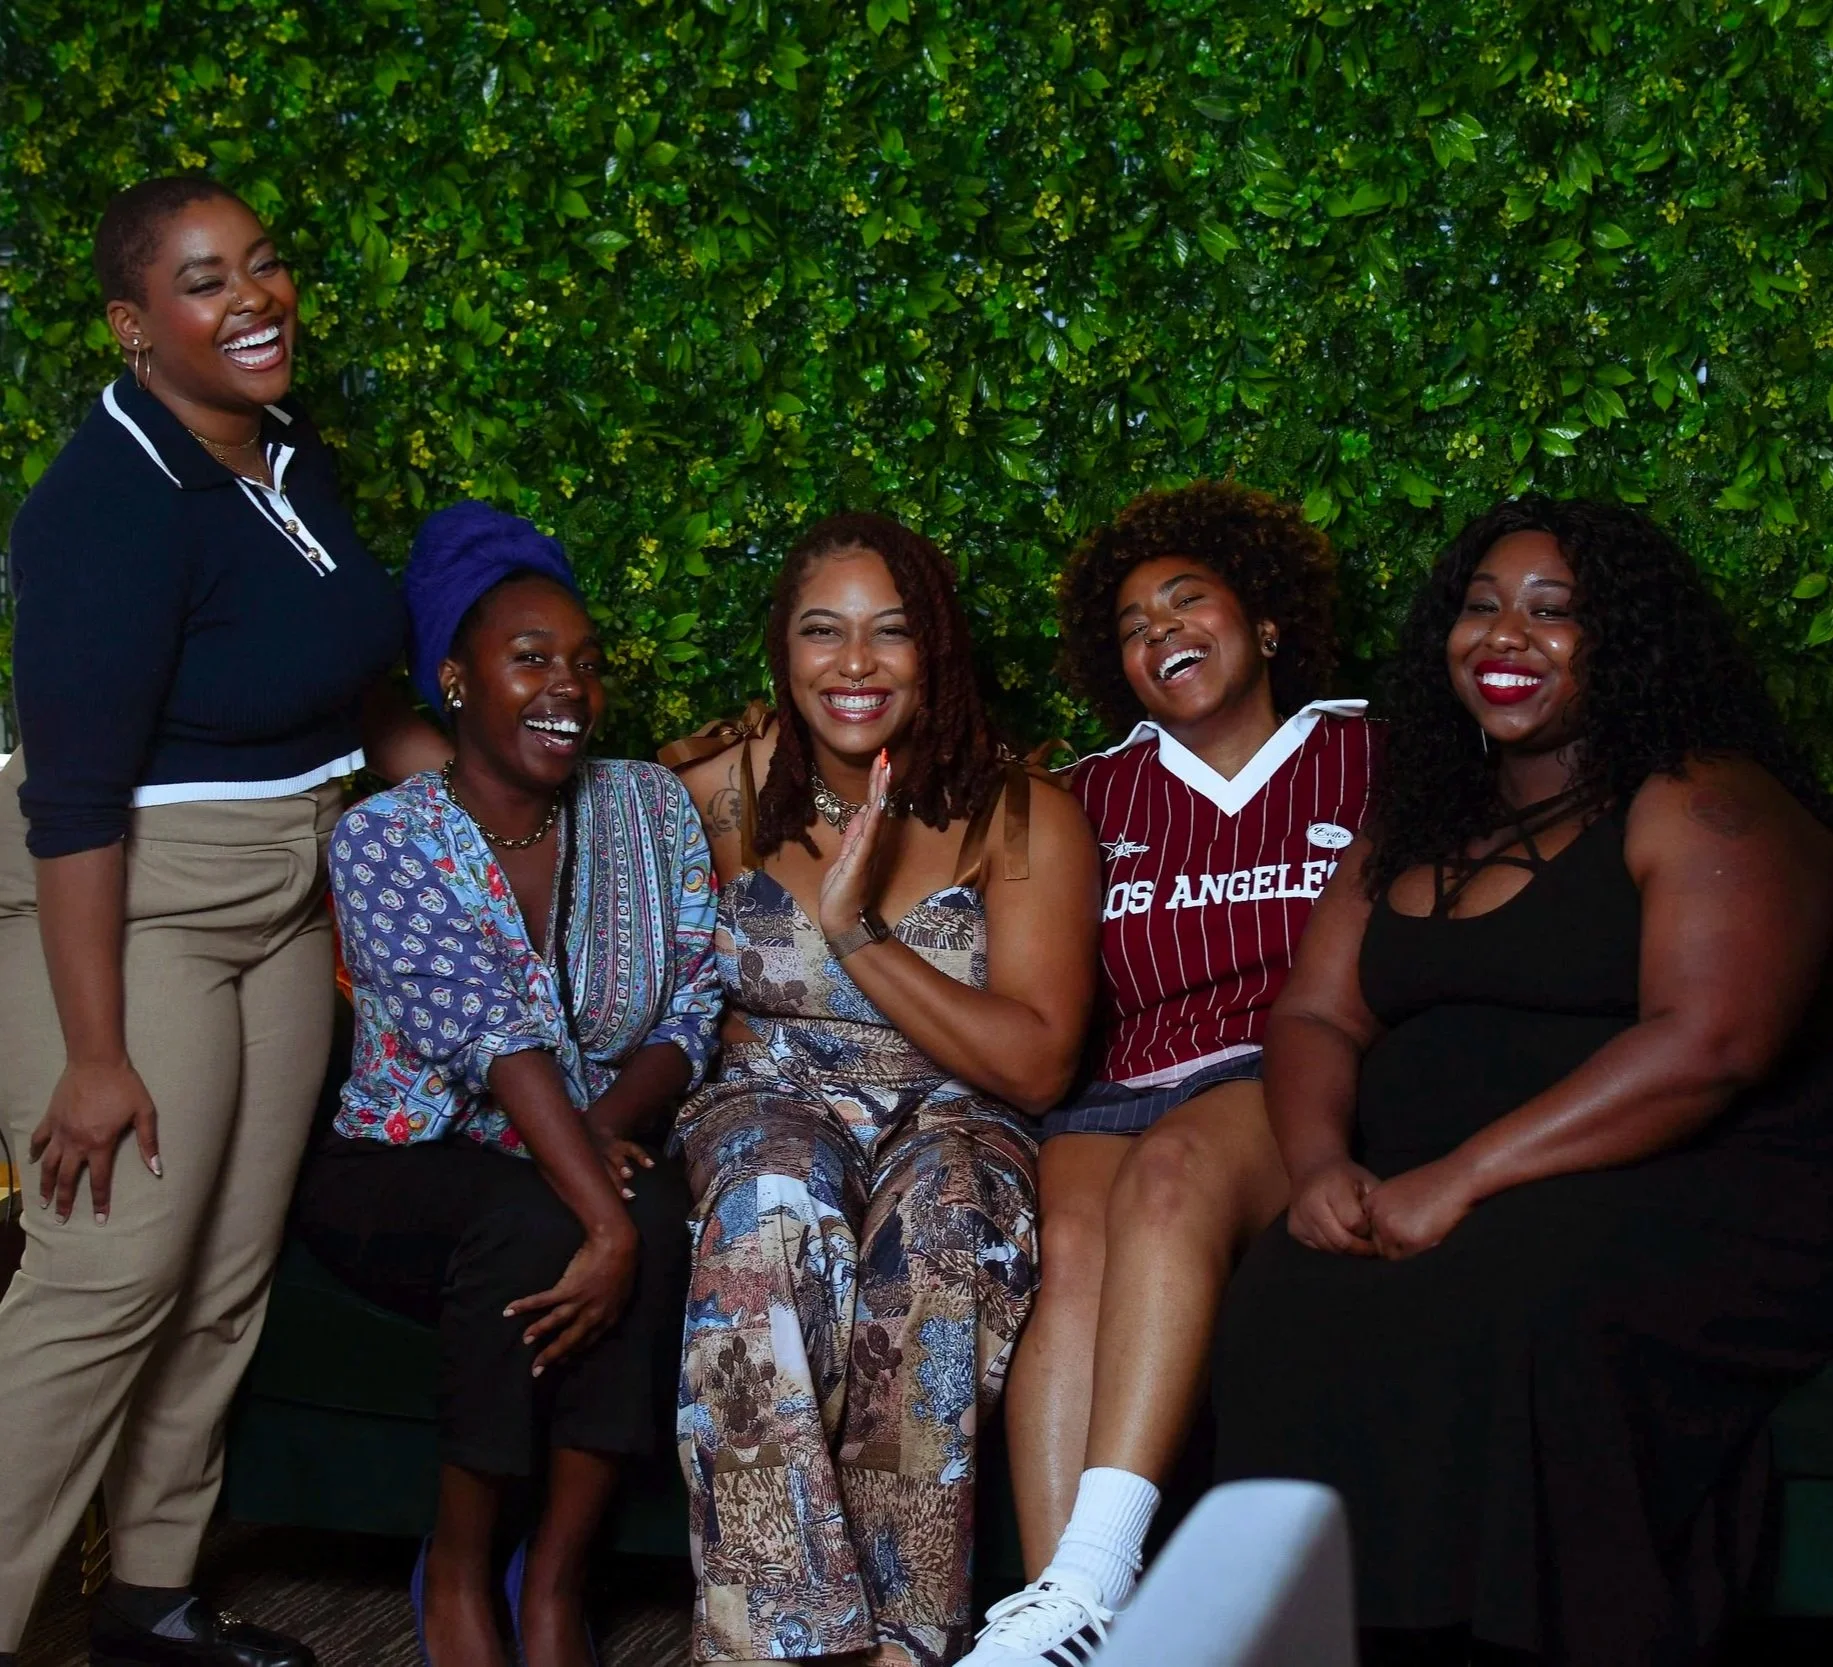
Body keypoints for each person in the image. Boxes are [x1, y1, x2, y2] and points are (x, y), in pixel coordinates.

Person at [1210, 497, 1833, 1667]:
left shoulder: (1704, 800)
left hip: (1692, 1180)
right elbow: (1315, 1009)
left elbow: (1708, 1046)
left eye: (1555, 612)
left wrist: (1462, 1175)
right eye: (1480, 607)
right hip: (1431, 1182)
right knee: (1288, 1289)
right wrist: (1318, 1166)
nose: (1506, 636)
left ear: (1629, 639)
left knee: (1506, 1288)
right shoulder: (1415, 818)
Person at [0, 176, 444, 1667]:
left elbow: (345, 700)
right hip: (133, 908)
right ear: (133, 327)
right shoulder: (100, 509)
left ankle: (150, 1596)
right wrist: (93, 1050)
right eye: (203, 282)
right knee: (110, 1272)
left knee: (224, 1268)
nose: (251, 297)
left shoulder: (286, 455)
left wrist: (527, 795)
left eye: (263, 263)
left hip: (284, 888)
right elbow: (71, 802)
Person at [664, 511, 1101, 1667]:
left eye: (889, 634)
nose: (853, 665)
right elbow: (550, 806)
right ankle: (783, 1646)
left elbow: (1037, 1057)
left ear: (937, 649)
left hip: (960, 1109)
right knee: (769, 1205)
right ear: (783, 650)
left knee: (943, 1222)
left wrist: (855, 933)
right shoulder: (724, 788)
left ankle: (907, 1644)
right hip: (775, 1097)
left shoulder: (1022, 814)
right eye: (823, 632)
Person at [293, 501, 720, 1667]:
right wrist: (601, 1215)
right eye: (530, 658)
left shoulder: (649, 804)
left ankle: (556, 1585)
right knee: (546, 1220)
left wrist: (605, 1139)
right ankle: (464, 1572)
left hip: (590, 1130)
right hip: (400, 1162)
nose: (566, 686)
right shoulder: (385, 839)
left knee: (659, 1212)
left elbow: (691, 1003)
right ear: (456, 679)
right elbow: (492, 1037)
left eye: (585, 662)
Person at [965, 481, 1379, 1667]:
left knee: (1171, 1178)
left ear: (1270, 621)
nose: (1160, 633)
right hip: (1122, 1080)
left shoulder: (1371, 754)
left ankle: (1096, 1579)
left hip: (1275, 1069)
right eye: (1134, 627)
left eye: (1186, 601)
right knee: (1069, 1242)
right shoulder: (1089, 791)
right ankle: (1061, 1618)